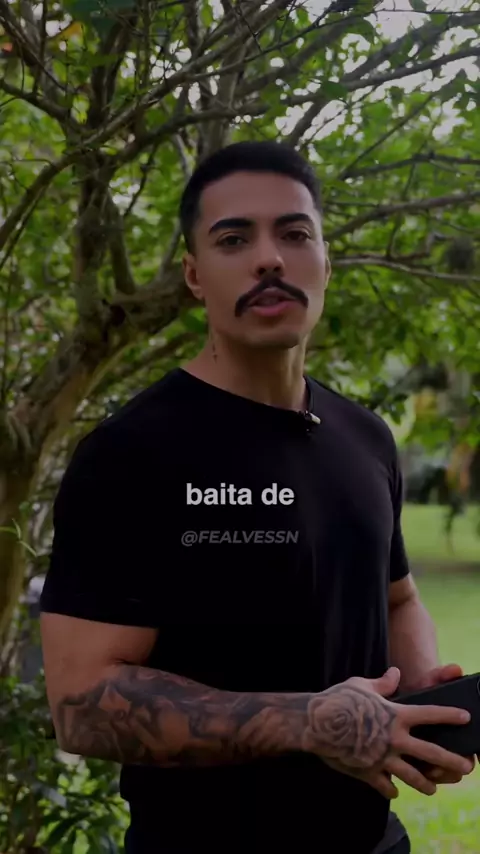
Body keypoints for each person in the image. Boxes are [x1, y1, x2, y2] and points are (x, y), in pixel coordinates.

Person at [40, 140, 476, 854]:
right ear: (194, 276)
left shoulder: (365, 437)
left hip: (374, 840)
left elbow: (397, 598)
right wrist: (311, 722)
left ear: (325, 262)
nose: (269, 258)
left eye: (295, 234)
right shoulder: (132, 453)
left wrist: (421, 690)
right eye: (234, 239)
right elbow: (80, 702)